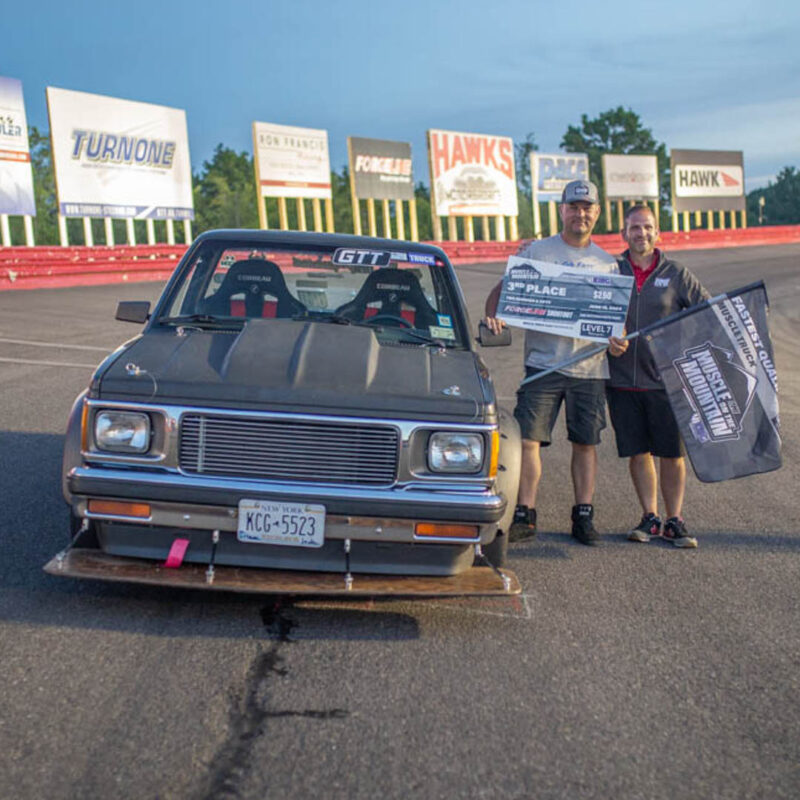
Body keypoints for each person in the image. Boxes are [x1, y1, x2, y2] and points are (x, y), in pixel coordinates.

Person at [484, 179, 625, 546]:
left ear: (597, 212)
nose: (580, 213)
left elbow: (615, 321)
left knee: (586, 443)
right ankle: (525, 513)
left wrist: (618, 341)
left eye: (587, 207)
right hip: (544, 365)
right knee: (529, 440)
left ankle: (583, 514)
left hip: (590, 368)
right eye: (574, 206)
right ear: (562, 210)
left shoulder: (607, 264)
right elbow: (502, 294)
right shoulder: (537, 252)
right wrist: (493, 315)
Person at [607, 203, 709, 548]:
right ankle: (649, 517)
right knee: (638, 453)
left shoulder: (677, 273)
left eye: (647, 227)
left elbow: (706, 312)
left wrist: (682, 343)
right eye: (635, 228)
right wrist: (606, 336)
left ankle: (674, 520)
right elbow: (591, 317)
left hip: (667, 381)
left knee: (671, 453)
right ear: (624, 234)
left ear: (657, 232)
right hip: (622, 380)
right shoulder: (611, 271)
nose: (642, 233)